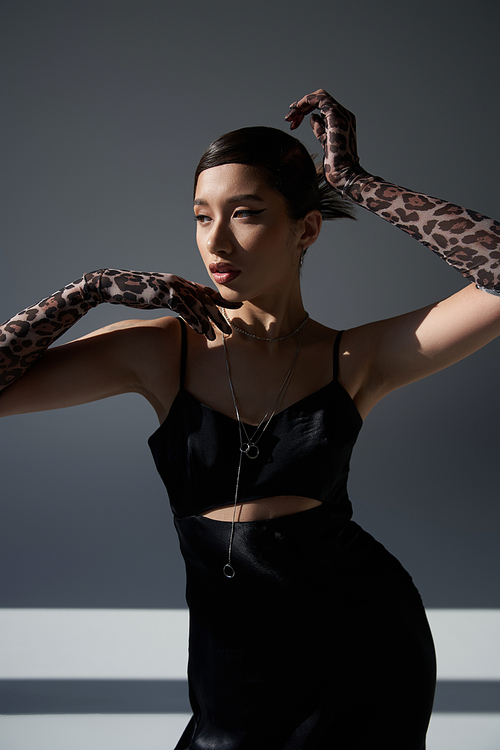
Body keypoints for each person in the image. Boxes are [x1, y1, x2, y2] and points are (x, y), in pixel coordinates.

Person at [1, 89, 500, 749]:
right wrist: (90, 289)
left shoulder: (356, 357)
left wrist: (354, 182)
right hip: (232, 669)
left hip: (365, 653)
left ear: (307, 229)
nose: (217, 240)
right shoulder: (159, 352)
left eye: (248, 214)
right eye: (202, 217)